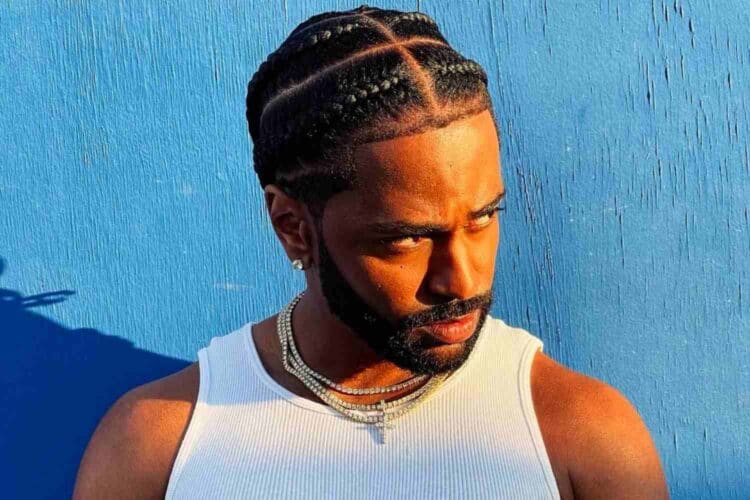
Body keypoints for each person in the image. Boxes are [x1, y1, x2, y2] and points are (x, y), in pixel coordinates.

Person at [73, 5, 669, 499]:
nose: (462, 280)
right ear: (292, 227)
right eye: (406, 238)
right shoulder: (156, 446)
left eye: (483, 217)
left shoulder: (582, 437)